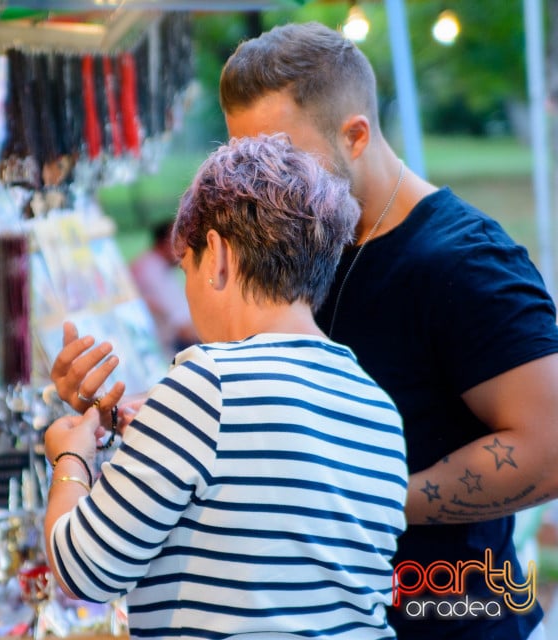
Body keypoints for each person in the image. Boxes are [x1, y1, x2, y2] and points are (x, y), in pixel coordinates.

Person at [49, 22, 558, 639]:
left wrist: (360, 494)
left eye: (280, 152)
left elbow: (549, 447)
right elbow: (262, 404)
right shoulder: (291, 246)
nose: (258, 178)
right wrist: (149, 421)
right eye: (241, 156)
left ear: (355, 135)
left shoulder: (464, 260)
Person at [44, 133, 408, 639]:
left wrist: (71, 455)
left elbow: (85, 568)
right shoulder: (377, 405)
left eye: (185, 265)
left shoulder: (207, 382)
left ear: (214, 255)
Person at [129, 219, 199, 357]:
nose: (187, 248)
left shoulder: (155, 265)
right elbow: (183, 328)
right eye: (182, 241)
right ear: (167, 241)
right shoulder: (151, 270)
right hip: (172, 347)